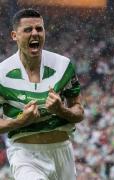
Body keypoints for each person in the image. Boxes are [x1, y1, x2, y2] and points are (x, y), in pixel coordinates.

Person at [0, 8, 84, 180]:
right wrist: (20, 121)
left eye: (39, 29)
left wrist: (61, 110)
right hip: (25, 154)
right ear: (14, 35)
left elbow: (79, 112)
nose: (35, 33)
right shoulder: (1, 73)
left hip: (62, 151)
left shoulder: (63, 65)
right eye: (28, 30)